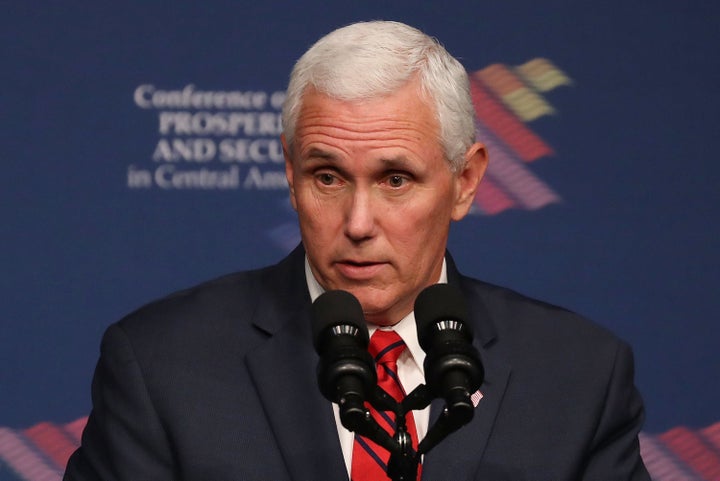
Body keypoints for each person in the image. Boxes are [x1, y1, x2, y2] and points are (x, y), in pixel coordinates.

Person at [64, 20, 650, 480]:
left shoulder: (579, 375)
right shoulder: (161, 364)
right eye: (328, 177)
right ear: (290, 175)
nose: (359, 223)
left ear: (465, 181)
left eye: (395, 179)